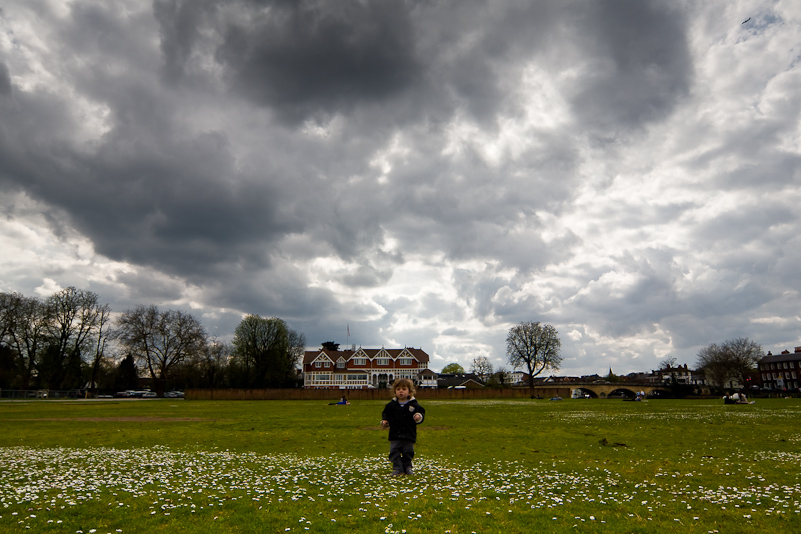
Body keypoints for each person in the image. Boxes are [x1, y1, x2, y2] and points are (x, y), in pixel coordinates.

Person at [381, 378, 425, 476]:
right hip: (395, 434)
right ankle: (398, 469)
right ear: (395, 391)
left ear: (410, 391)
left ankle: (408, 468)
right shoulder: (391, 405)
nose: (401, 391)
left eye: (404, 389)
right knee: (394, 452)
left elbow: (421, 413)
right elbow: (386, 415)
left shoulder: (414, 405)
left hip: (409, 434)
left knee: (408, 452)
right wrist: (385, 421)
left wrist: (418, 417)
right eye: (398, 389)